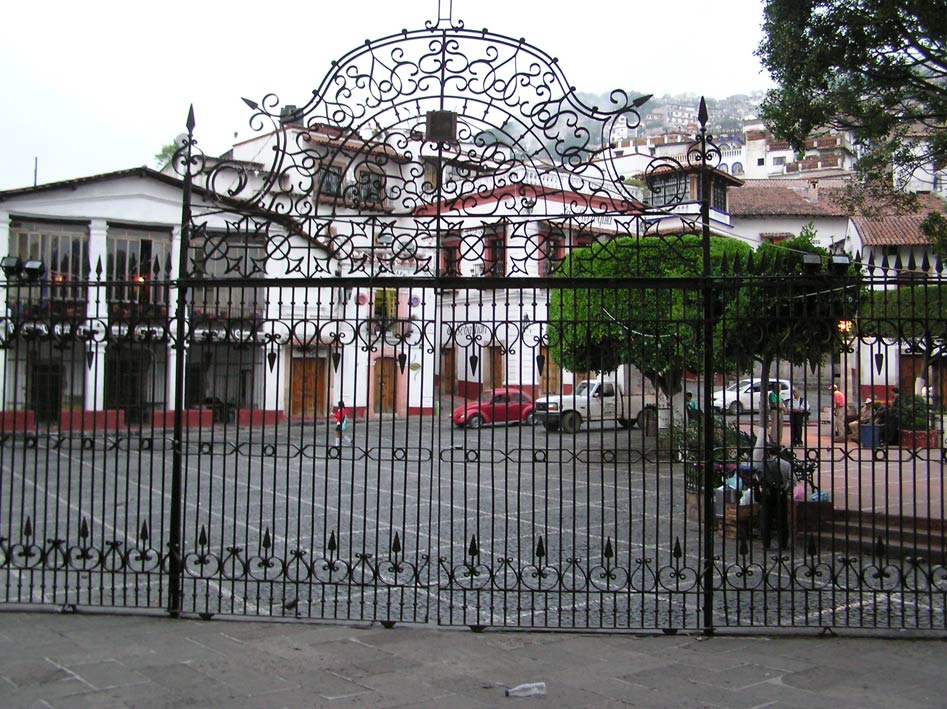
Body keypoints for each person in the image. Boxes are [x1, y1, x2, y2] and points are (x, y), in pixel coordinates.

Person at [752, 427, 792, 549]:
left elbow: (757, 480)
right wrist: (786, 488)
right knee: (782, 519)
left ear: (768, 452)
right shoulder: (786, 464)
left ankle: (766, 542)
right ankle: (783, 542)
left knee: (766, 519)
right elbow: (793, 480)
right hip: (781, 492)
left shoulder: (762, 465)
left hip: (767, 494)